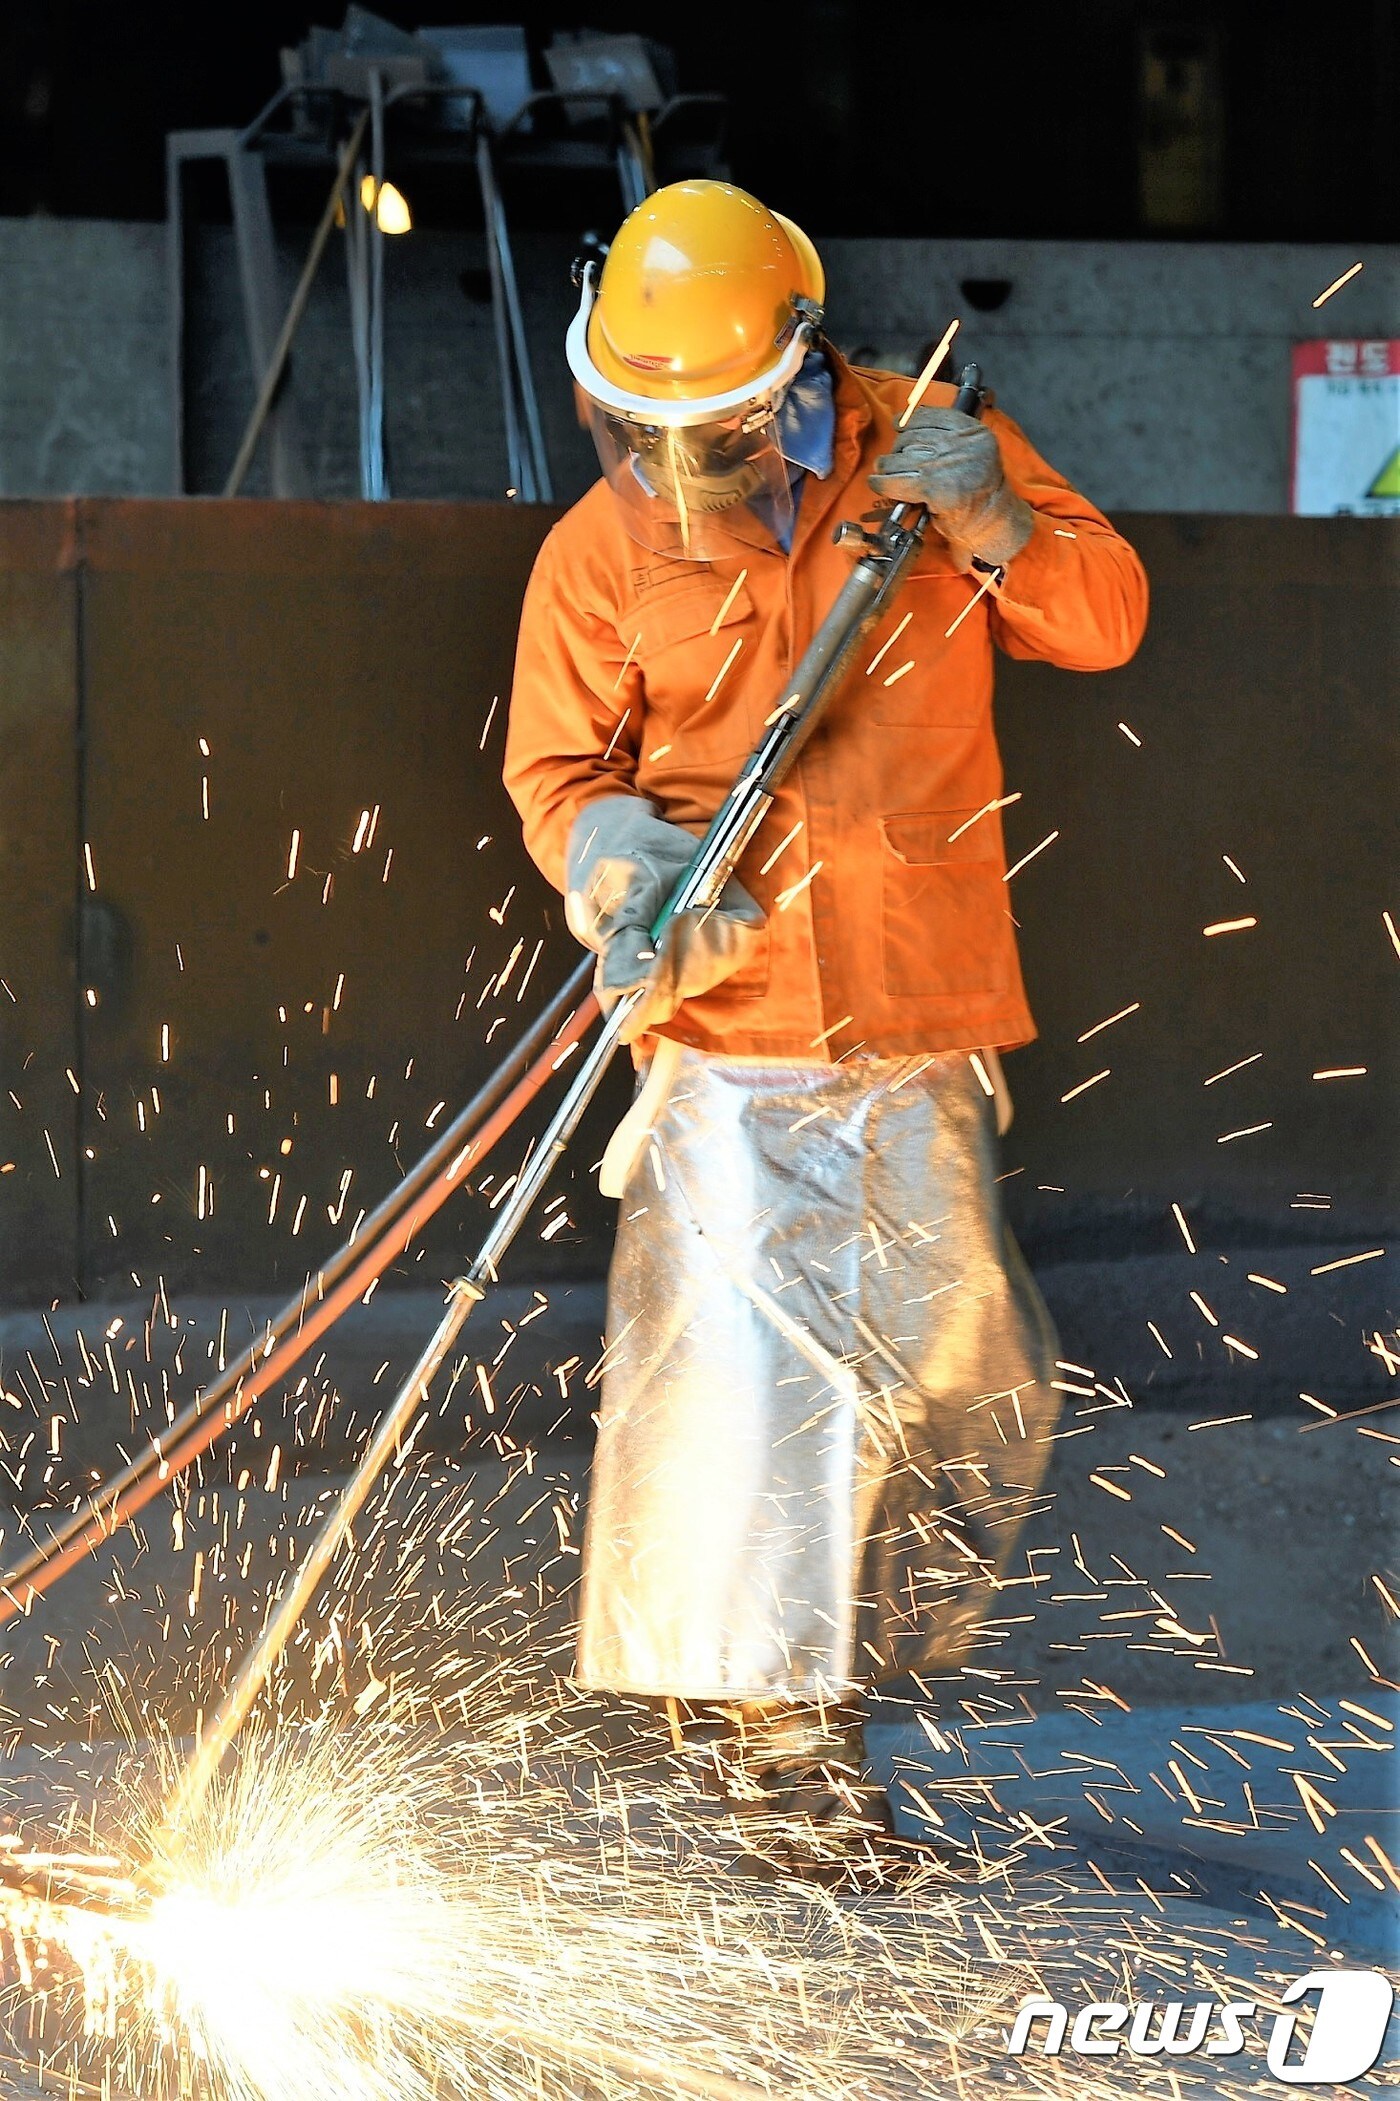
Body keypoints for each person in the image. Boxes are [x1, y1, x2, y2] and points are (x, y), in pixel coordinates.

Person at [505, 180, 1148, 1885]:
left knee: (950, 1372)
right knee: (759, 1394)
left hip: (924, 1022)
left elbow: (1104, 616)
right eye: (642, 425)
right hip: (732, 1043)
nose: (665, 459)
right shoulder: (600, 553)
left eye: (696, 428)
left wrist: (998, 521)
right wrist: (629, 866)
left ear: (791, 364)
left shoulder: (937, 450)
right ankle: (781, 1746)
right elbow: (559, 776)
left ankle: (812, 1673)